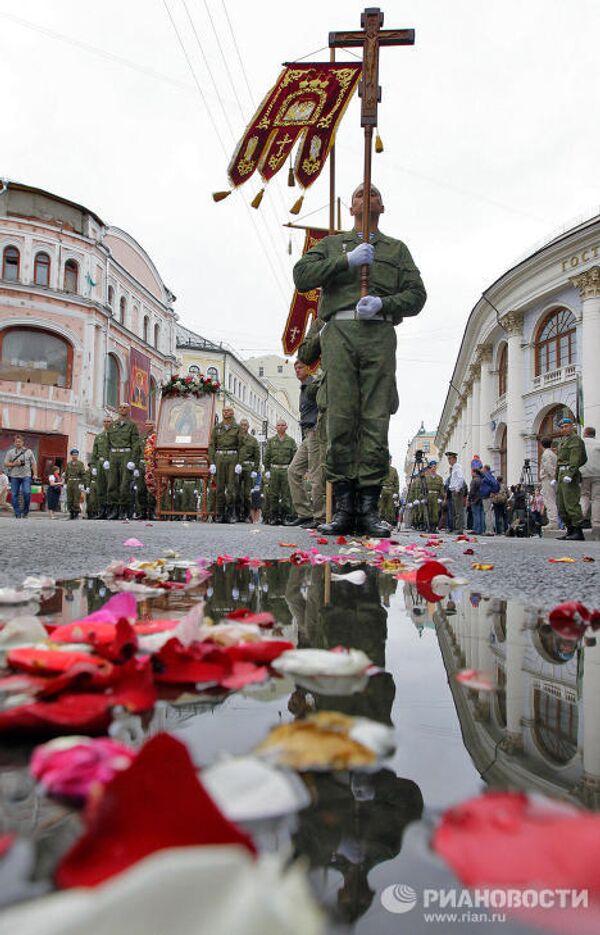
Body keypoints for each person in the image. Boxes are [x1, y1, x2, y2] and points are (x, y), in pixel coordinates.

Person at [293, 183, 426, 537]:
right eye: (358, 194)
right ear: (350, 208)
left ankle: (367, 507)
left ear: (383, 206)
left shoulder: (397, 250)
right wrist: (346, 261)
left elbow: (417, 295)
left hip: (378, 333)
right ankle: (342, 508)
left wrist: (385, 304)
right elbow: (302, 275)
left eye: (374, 194)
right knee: (339, 416)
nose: (366, 198)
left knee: (374, 416)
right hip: (339, 334)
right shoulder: (332, 244)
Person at [287, 360, 324, 528]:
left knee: (316, 475)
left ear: (309, 369)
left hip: (316, 432)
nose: (297, 371)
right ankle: (305, 513)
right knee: (293, 471)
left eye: (300, 367)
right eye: (295, 368)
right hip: (306, 434)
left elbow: (324, 407)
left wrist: (319, 427)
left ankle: (320, 517)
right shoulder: (303, 388)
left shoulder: (314, 385)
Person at [107, 403, 141, 520]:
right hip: (113, 454)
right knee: (112, 483)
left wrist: (133, 461)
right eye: (120, 407)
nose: (122, 409)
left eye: (125, 407)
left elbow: (136, 444)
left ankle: (123, 509)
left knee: (124, 484)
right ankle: (114, 509)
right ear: (118, 410)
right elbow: (108, 443)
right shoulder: (112, 425)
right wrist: (107, 458)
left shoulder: (132, 425)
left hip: (126, 454)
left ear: (129, 410)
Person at [555, 416, 587, 541]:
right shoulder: (564, 441)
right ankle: (570, 530)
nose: (564, 429)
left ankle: (578, 531)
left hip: (569, 474)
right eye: (562, 427)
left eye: (566, 426)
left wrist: (571, 473)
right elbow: (559, 461)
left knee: (571, 503)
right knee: (561, 505)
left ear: (572, 426)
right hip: (561, 475)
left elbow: (577, 459)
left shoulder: (575, 440)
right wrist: (555, 476)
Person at [208, 405, 240, 523]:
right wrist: (212, 462)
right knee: (220, 487)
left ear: (232, 413)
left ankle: (230, 513)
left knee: (231, 488)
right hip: (219, 458)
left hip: (232, 457)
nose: (226, 413)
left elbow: (241, 446)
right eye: (224, 411)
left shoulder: (237, 428)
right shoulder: (217, 428)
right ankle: (220, 513)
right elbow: (212, 445)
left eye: (228, 411)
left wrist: (239, 463)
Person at [263, 419, 297, 526]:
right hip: (274, 470)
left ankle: (285, 516)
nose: (281, 427)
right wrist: (267, 470)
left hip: (286, 470)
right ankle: (274, 516)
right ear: (276, 427)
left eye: (283, 425)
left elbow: (295, 457)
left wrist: (293, 471)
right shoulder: (271, 441)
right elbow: (267, 456)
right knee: (273, 494)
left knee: (286, 495)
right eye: (279, 425)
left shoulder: (291, 441)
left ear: (286, 427)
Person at [4, 433, 37, 518]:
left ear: (23, 442)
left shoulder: (29, 451)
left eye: (19, 441)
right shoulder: (10, 452)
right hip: (14, 476)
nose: (18, 443)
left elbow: (33, 464)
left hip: (26, 476)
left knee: (27, 492)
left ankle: (25, 512)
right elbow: (6, 464)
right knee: (14, 495)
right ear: (14, 443)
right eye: (16, 442)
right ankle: (17, 513)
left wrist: (35, 474)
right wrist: (14, 463)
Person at [237, 418, 260, 523]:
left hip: (248, 468)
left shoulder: (253, 440)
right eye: (241, 425)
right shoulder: (235, 439)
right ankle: (236, 514)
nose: (243, 427)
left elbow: (257, 457)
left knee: (247, 494)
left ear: (248, 427)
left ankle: (246, 515)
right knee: (236, 492)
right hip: (237, 468)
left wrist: (255, 470)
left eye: (245, 425)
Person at [90, 416, 112, 520]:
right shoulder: (99, 436)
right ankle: (102, 510)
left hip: (110, 463)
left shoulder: (115, 436)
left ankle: (111, 510)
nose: (107, 423)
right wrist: (93, 466)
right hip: (100, 463)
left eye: (109, 421)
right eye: (105, 421)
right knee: (101, 488)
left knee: (111, 487)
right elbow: (94, 453)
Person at [580, 426, 600, 532]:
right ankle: (596, 523)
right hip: (598, 473)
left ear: (585, 433)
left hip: (584, 473)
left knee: (584, 496)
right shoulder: (598, 443)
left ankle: (580, 519)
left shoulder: (580, 442)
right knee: (597, 498)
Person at [539, 436, 559, 529]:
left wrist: (553, 477)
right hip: (552, 479)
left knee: (549, 500)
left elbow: (548, 467)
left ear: (541, 445)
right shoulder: (552, 454)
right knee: (552, 500)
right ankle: (554, 521)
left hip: (548, 479)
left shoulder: (546, 454)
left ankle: (553, 522)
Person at [445, 451, 465, 533]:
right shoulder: (454, 468)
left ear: (454, 459)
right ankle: (457, 528)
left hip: (457, 492)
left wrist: (457, 489)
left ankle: (459, 529)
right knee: (455, 511)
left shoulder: (457, 467)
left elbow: (461, 479)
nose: (449, 461)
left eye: (450, 458)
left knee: (459, 511)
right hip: (454, 491)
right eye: (448, 459)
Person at [65, 447, 86, 519]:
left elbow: (83, 474)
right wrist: (65, 483)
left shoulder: (80, 464)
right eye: (74, 455)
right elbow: (66, 473)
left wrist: (82, 484)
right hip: (70, 481)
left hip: (77, 481)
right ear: (71, 455)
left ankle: (76, 513)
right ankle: (71, 513)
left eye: (76, 455)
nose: (75, 456)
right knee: (69, 498)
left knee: (76, 498)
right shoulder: (69, 464)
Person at [379, 456, 400, 526]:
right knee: (381, 507)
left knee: (390, 508)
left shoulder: (394, 470)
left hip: (391, 491)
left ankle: (389, 523)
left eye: (390, 460)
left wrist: (396, 492)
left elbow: (396, 482)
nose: (389, 461)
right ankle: (380, 522)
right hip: (382, 490)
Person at [425, 459, 444, 532]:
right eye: (432, 467)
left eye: (435, 467)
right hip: (429, 496)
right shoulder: (426, 478)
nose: (434, 468)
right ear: (430, 468)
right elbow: (423, 489)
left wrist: (441, 498)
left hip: (436, 496)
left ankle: (434, 527)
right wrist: (423, 498)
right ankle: (429, 527)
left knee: (436, 513)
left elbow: (441, 488)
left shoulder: (439, 478)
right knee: (429, 512)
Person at [468, 466, 484, 535]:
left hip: (475, 499)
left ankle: (476, 529)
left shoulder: (474, 480)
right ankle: (481, 529)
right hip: (481, 499)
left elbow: (472, 491)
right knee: (481, 515)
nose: (471, 474)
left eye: (472, 472)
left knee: (476, 515)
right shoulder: (482, 479)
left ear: (475, 473)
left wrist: (469, 499)